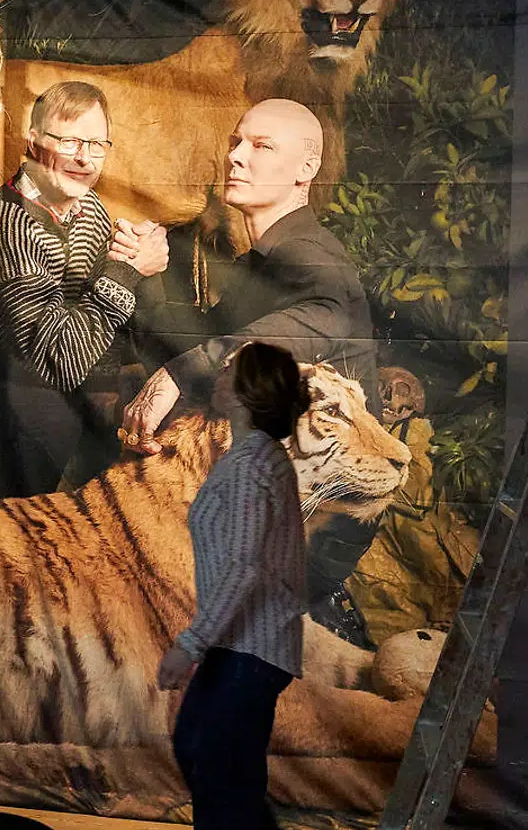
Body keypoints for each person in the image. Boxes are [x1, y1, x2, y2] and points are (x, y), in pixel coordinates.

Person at [121, 98, 382, 648]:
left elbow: (324, 313)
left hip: (307, 529)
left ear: (306, 169)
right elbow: (192, 345)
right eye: (235, 142)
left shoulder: (309, 253)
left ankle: (323, 621)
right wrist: (149, 272)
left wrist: (178, 375)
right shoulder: (261, 262)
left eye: (262, 146)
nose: (236, 157)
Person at [0, 80, 168, 498]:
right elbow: (59, 360)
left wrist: (139, 257)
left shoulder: (89, 208)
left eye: (96, 145)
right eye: (69, 142)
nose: (84, 158)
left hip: (43, 402)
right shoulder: (8, 224)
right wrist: (129, 270)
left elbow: (102, 324)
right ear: (33, 143)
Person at [157, 341, 309, 830]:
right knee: (208, 758)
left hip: (251, 647)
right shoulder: (254, 456)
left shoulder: (251, 464)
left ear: (245, 393)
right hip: (240, 645)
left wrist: (190, 644)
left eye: (229, 372)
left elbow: (245, 567)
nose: (217, 378)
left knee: (218, 773)